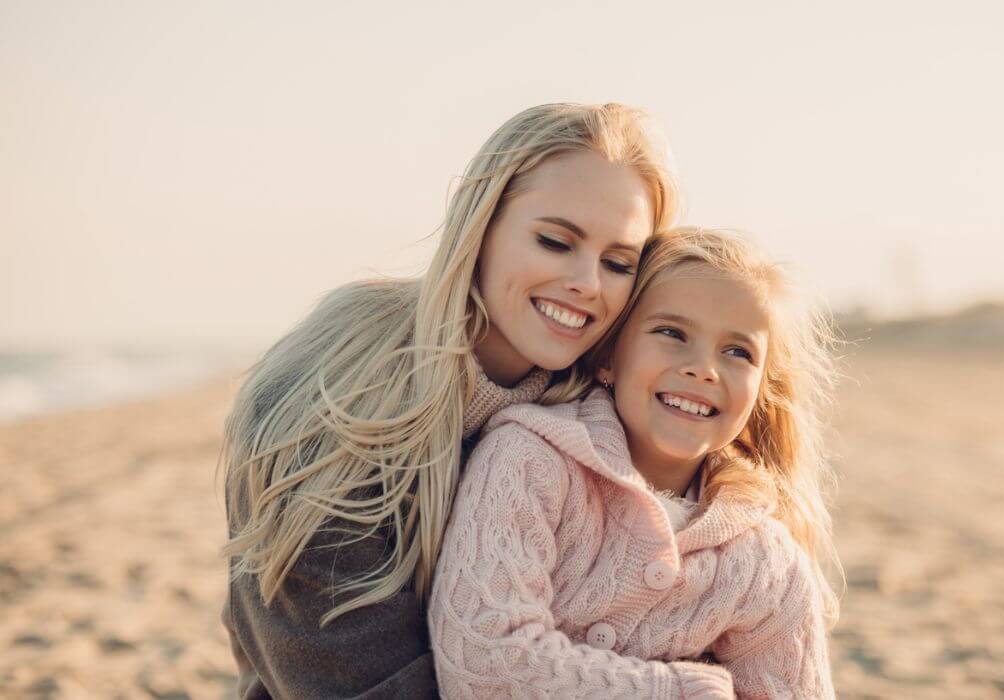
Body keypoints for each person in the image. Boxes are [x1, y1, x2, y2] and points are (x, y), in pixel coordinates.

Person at [219, 103, 679, 698]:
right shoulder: (334, 396)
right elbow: (348, 678)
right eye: (555, 241)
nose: (588, 284)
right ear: (480, 225)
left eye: (618, 263)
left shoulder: (599, 408)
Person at [429, 227, 842, 698]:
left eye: (737, 352)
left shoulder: (766, 563)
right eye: (672, 333)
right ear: (609, 357)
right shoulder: (529, 459)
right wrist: (679, 691)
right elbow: (483, 663)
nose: (704, 368)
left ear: (762, 391)